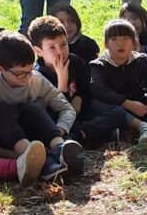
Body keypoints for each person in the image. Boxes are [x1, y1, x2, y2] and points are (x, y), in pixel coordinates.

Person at [0, 32, 82, 186]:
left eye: (30, 70)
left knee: (32, 108)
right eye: (20, 74)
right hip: (4, 139)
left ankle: (60, 149)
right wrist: (4, 152)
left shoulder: (36, 80)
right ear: (0, 68)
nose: (27, 77)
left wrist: (60, 129)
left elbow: (66, 108)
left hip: (35, 138)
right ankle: (39, 159)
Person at [29, 15, 131, 146]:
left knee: (117, 113)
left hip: (81, 111)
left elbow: (86, 87)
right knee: (48, 123)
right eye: (52, 48)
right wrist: (61, 84)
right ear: (39, 51)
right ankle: (88, 136)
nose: (60, 51)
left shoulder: (75, 61)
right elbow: (54, 109)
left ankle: (78, 136)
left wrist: (80, 97)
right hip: (59, 117)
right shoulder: (38, 75)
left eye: (63, 44)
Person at [89, 19, 147, 139]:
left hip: (141, 104)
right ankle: (143, 127)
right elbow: (99, 90)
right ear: (106, 44)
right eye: (114, 39)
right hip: (118, 108)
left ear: (134, 42)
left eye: (125, 39)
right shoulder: (99, 65)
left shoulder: (139, 60)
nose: (120, 44)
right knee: (101, 105)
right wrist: (126, 103)